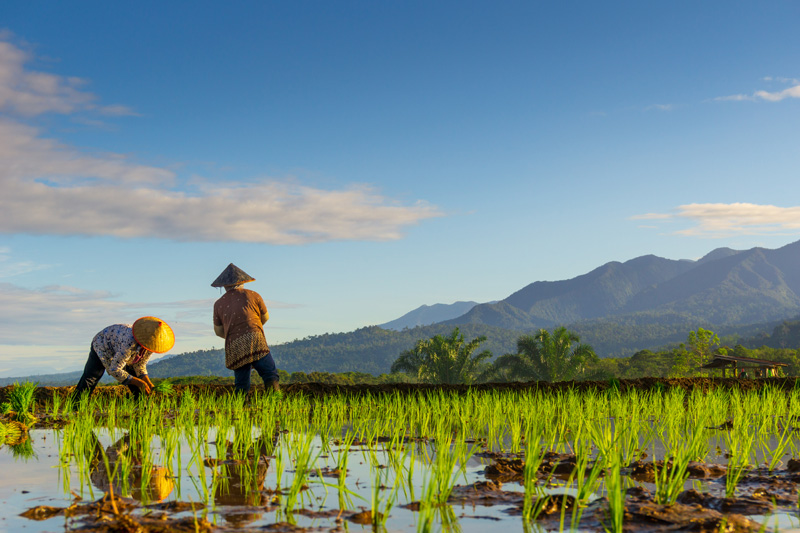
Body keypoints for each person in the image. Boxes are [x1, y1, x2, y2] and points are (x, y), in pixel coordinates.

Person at [212, 263, 280, 393]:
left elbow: (218, 331)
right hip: (255, 339)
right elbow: (265, 317)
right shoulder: (253, 295)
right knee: (270, 374)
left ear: (224, 286)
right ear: (242, 281)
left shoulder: (218, 304)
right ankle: (275, 403)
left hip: (234, 344)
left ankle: (241, 408)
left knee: (241, 383)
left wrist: (235, 335)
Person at [72, 317, 175, 400]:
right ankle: (76, 406)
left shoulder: (150, 346)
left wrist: (148, 383)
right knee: (92, 377)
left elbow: (140, 365)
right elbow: (115, 369)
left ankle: (140, 409)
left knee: (139, 386)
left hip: (123, 352)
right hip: (102, 344)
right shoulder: (129, 342)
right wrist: (139, 382)